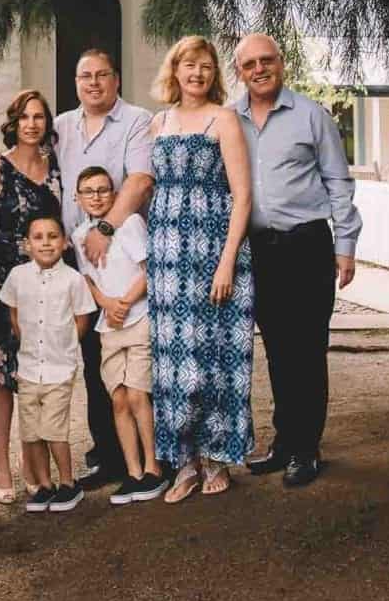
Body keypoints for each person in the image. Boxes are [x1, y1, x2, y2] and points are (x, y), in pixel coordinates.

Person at [0, 48, 152, 491]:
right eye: (85, 76)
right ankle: (107, 453)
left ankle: (146, 457)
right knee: (93, 358)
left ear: (116, 79)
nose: (94, 83)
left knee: (134, 362)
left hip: (119, 255)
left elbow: (139, 180)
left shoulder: (137, 120)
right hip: (73, 262)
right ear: (76, 82)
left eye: (102, 75)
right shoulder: (61, 126)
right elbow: (24, 161)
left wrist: (104, 225)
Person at [231, 32, 363, 489]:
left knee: (307, 348)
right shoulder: (231, 120)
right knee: (277, 348)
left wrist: (345, 246)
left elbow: (339, 183)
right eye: (250, 64)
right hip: (259, 249)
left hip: (307, 245)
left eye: (267, 61)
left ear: (281, 64)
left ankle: (307, 449)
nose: (259, 70)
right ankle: (285, 442)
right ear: (239, 72)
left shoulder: (311, 116)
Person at [147, 35, 254, 503]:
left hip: (213, 250)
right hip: (168, 256)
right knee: (174, 362)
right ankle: (185, 462)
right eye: (189, 65)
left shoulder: (224, 119)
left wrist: (227, 259)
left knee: (212, 359)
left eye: (206, 67)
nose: (197, 73)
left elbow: (242, 195)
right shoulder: (157, 122)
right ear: (175, 70)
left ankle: (216, 458)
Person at [0, 88, 62, 503]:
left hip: (44, 280)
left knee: (36, 373)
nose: (32, 124)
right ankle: (1, 465)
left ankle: (32, 460)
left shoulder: (57, 168)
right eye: (25, 117)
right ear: (14, 122)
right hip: (4, 278)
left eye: (39, 117)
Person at [72, 166, 166, 504]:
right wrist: (107, 304)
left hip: (138, 318)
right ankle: (133, 471)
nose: (96, 196)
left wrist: (124, 302)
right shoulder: (79, 234)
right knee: (119, 399)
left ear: (113, 195)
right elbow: (89, 280)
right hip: (108, 326)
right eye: (88, 191)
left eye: (102, 190)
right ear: (77, 198)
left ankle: (154, 469)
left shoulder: (129, 224)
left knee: (140, 395)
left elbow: (149, 269)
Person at [0, 215, 96, 514]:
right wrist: (26, 343)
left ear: (64, 242)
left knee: (54, 430)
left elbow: (82, 319)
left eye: (53, 236)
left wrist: (66, 345)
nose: (45, 242)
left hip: (59, 367)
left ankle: (68, 483)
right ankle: (44, 485)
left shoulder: (73, 280)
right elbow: (14, 315)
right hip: (28, 368)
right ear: (27, 244)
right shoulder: (17, 276)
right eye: (38, 237)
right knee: (31, 433)